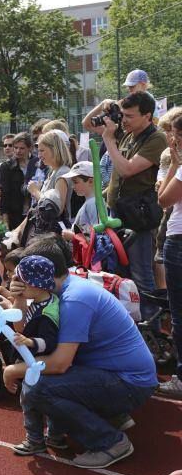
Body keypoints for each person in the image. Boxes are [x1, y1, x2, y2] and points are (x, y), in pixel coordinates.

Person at [4, 234, 157, 469]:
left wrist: (14, 370)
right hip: (113, 373)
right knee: (38, 372)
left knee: (37, 387)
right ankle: (111, 417)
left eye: (24, 274)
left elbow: (59, 364)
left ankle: (110, 442)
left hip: (129, 383)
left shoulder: (74, 299)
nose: (18, 279)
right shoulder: (59, 289)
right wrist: (19, 300)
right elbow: (24, 335)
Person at [86, 91, 167, 330]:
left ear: (148, 116)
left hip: (140, 218)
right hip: (119, 215)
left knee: (141, 274)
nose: (124, 121)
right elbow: (88, 124)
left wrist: (110, 139)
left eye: (130, 116)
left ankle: (151, 331)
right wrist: (103, 105)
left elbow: (127, 169)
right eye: (122, 115)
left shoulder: (156, 139)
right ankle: (129, 326)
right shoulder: (129, 133)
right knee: (121, 274)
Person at [0, 255, 62, 456]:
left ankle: (35, 440)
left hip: (38, 363)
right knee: (46, 402)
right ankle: (55, 436)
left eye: (21, 281)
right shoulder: (42, 301)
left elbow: (49, 341)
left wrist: (30, 342)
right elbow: (20, 321)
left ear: (36, 285)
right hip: (32, 359)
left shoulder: (48, 313)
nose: (17, 284)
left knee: (30, 401)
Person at [156, 113, 182, 397]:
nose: (172, 140)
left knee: (179, 314)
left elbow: (163, 200)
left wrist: (175, 164)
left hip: (179, 239)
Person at [0, 132, 39, 231]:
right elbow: (4, 196)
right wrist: (5, 222)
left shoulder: (38, 163)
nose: (18, 151)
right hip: (15, 214)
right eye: (15, 147)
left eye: (22, 148)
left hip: (35, 212)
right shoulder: (6, 167)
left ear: (30, 148)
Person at [60, 162, 98, 241]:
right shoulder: (89, 203)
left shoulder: (93, 204)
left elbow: (96, 237)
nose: (73, 186)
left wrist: (73, 236)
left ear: (90, 181)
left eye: (76, 182)